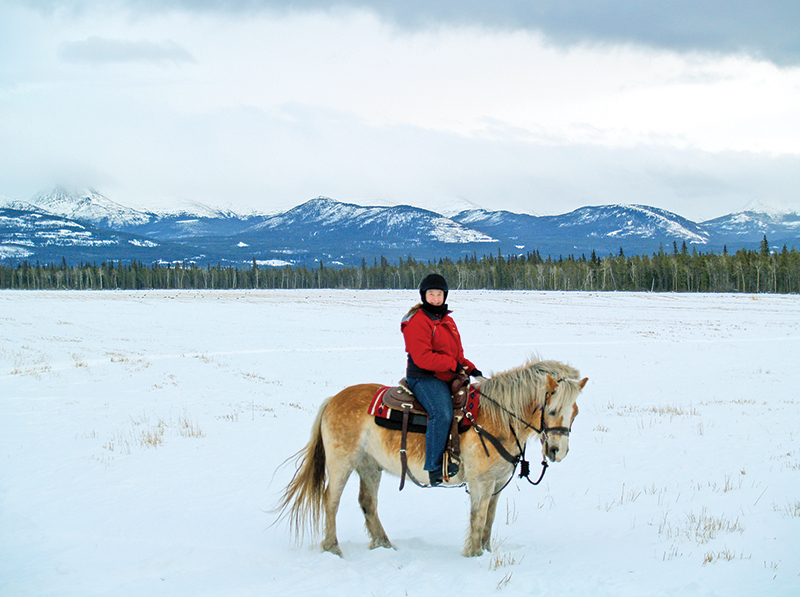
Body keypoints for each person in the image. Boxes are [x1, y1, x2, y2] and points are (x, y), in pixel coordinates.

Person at [401, 273, 482, 486]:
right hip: (424, 377)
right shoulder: (418, 321)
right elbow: (423, 357)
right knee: (442, 413)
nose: (436, 299)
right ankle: (434, 466)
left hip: (446, 374)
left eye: (439, 294)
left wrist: (471, 369)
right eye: (431, 294)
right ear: (424, 296)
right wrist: (453, 366)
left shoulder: (447, 320)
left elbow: (457, 355)